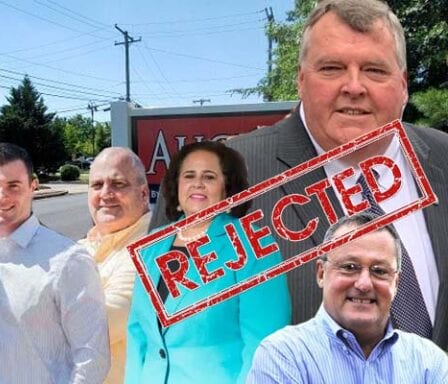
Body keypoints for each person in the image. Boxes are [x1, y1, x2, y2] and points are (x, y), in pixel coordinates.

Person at [155, 0, 448, 349]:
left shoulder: (442, 155)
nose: (354, 86)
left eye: (374, 70)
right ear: (301, 80)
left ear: (403, 85)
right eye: (331, 68)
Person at [0, 143, 109, 384]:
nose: (2, 197)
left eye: (13, 186)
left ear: (32, 186)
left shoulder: (68, 260)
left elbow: (92, 357)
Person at [126, 141, 291, 384]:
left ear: (227, 188)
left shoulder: (251, 245)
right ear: (177, 186)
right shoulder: (151, 245)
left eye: (210, 176)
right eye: (189, 175)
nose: (198, 183)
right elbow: (137, 332)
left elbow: (264, 344)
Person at [247, 212, 448, 383]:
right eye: (349, 267)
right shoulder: (283, 355)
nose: (364, 284)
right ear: (321, 273)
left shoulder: (429, 362)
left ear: (396, 283)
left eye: (379, 271)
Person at [78, 147, 151, 384]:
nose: (106, 194)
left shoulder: (154, 249)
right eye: (97, 185)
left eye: (118, 184)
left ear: (143, 193)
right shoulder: (79, 248)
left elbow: (101, 323)